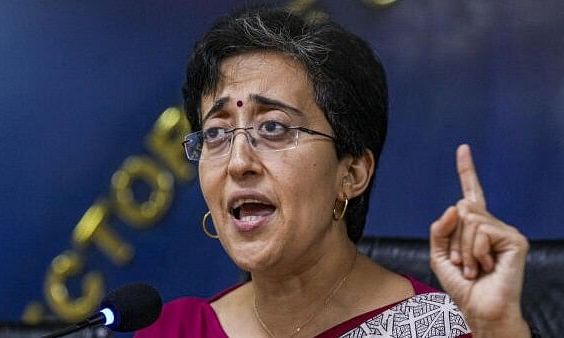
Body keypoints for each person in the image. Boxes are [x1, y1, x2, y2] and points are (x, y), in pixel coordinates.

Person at [135, 6, 534, 338]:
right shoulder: (173, 328)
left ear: (353, 172)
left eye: (273, 128)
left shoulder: (434, 328)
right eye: (217, 133)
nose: (239, 163)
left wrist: (500, 329)